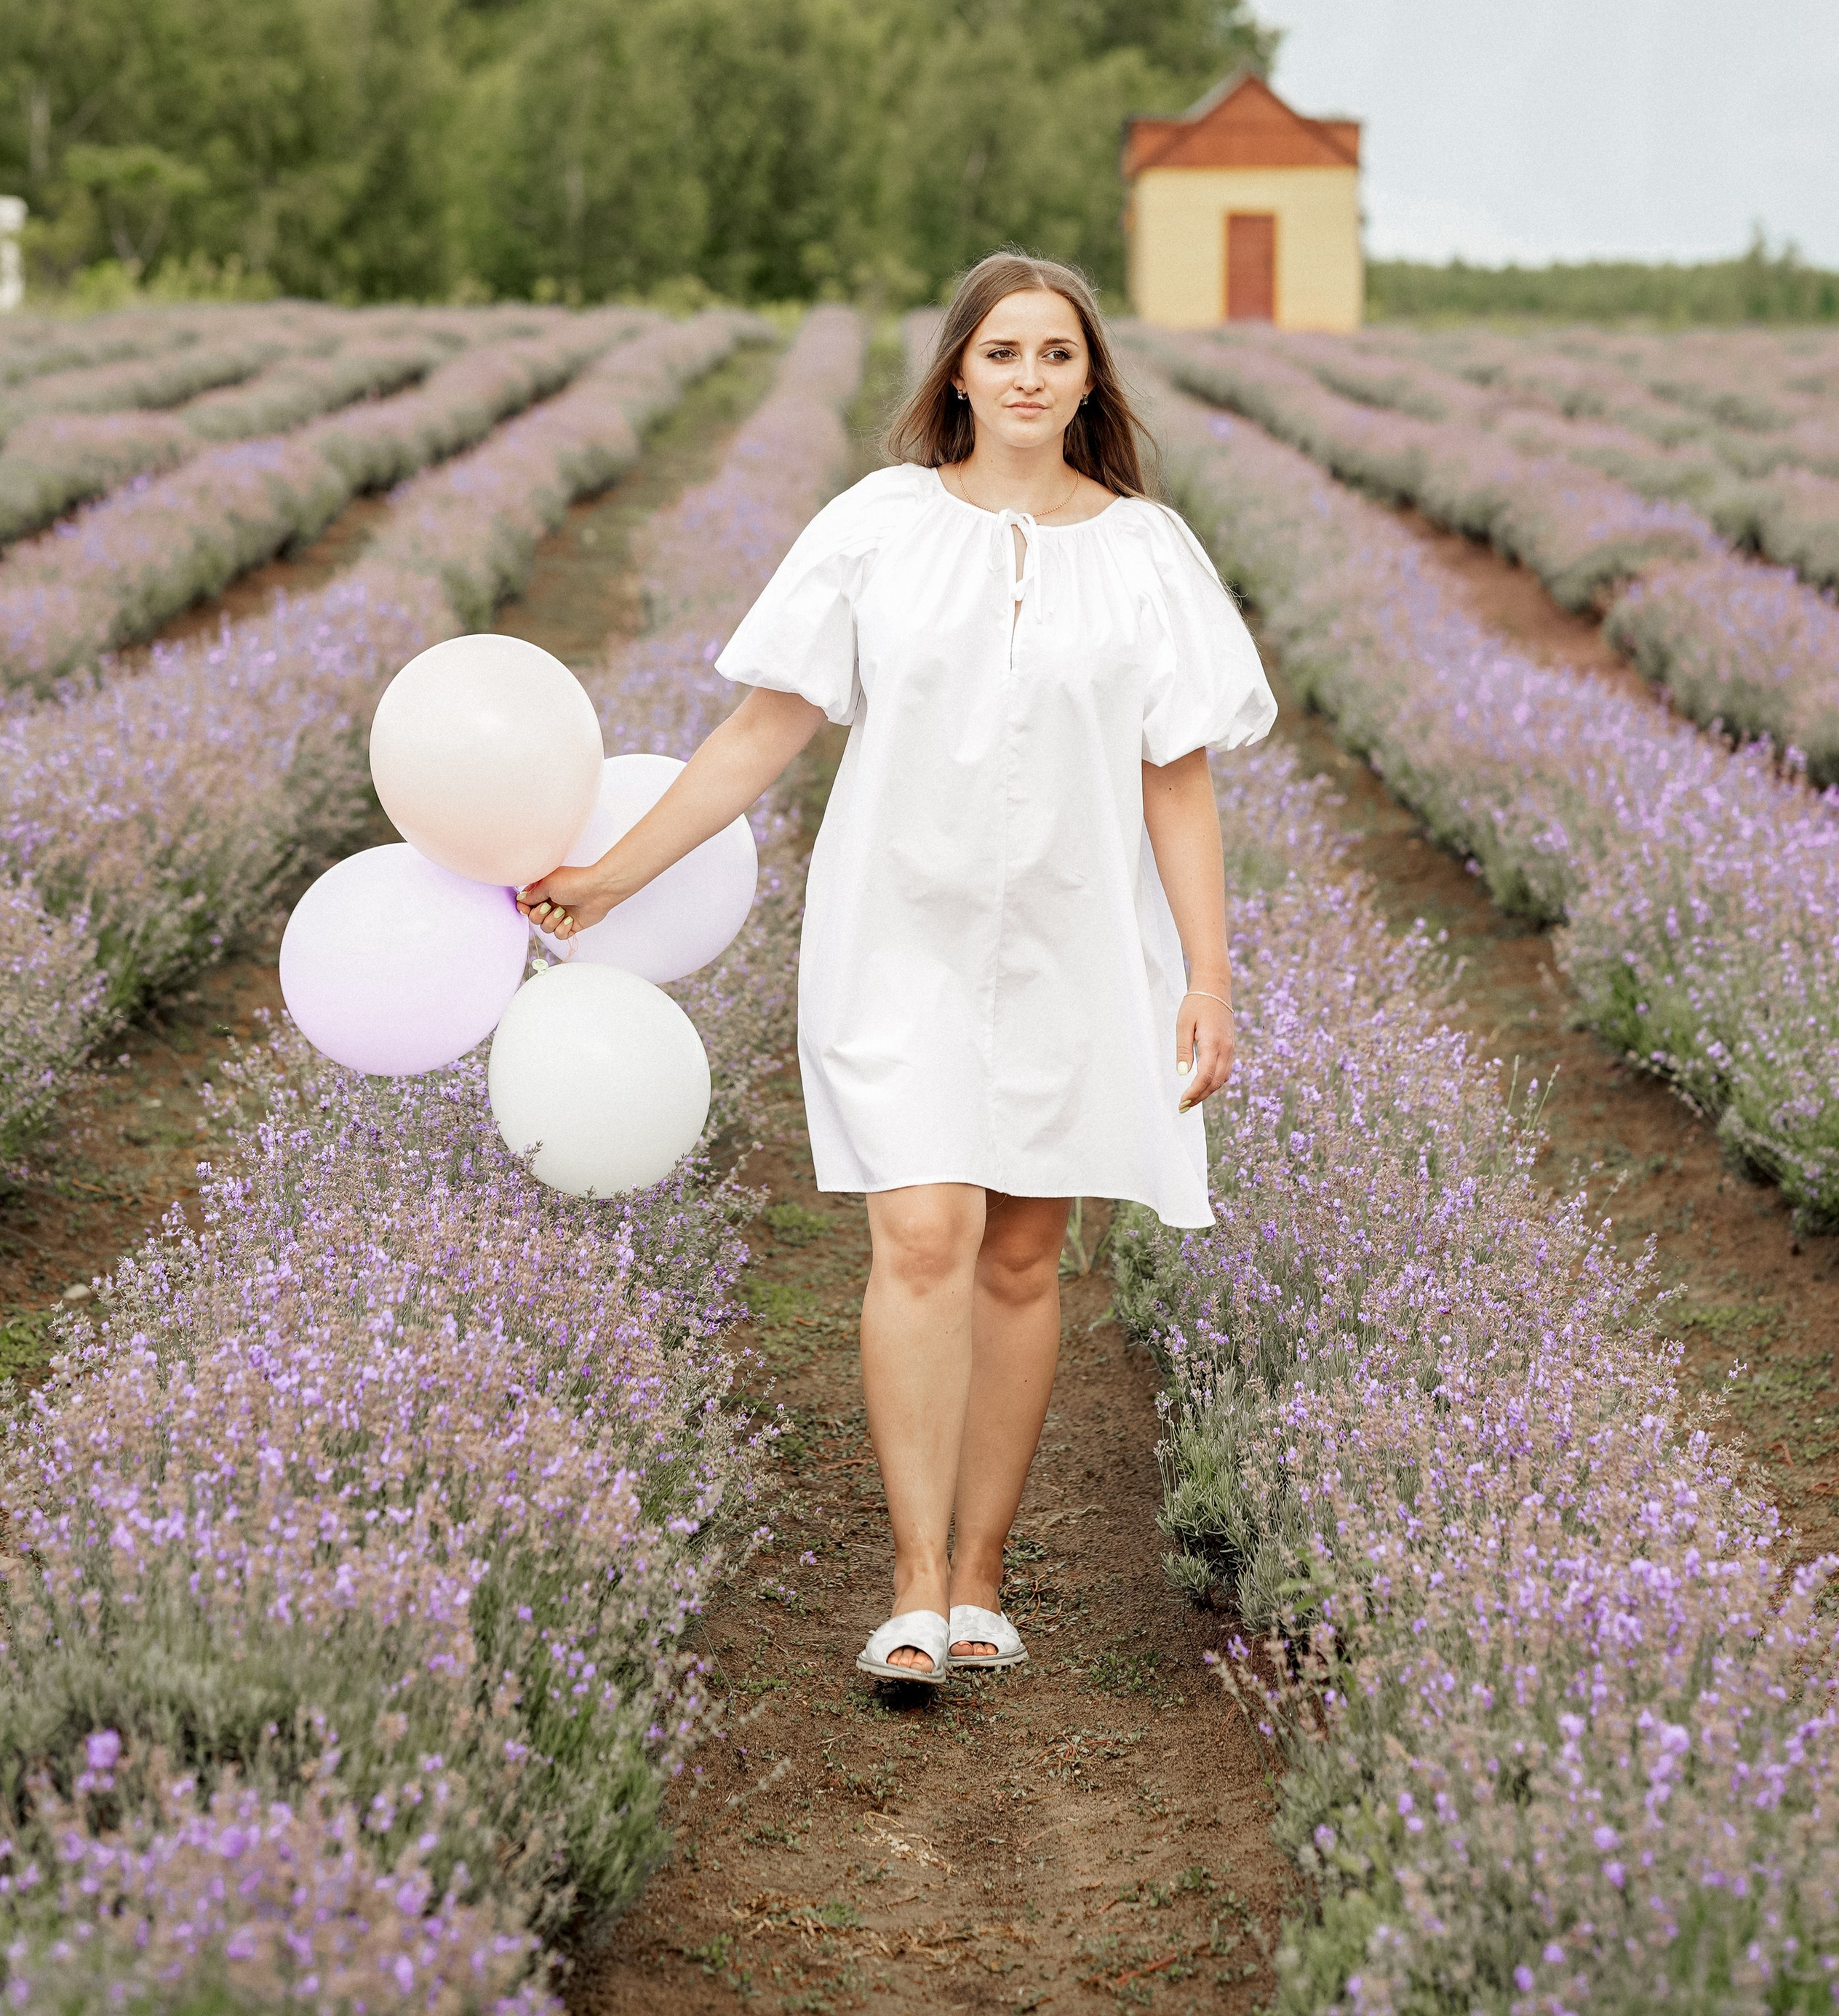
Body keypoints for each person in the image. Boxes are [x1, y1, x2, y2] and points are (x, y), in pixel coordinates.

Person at [518, 252, 1276, 1685]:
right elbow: (763, 727)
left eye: (1056, 354)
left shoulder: (1143, 552)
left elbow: (1174, 778)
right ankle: (913, 1584)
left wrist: (1206, 976)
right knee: (920, 1229)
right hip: (899, 932)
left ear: (1088, 380)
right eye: (1003, 353)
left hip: (1072, 941)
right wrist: (616, 872)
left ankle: (984, 1577)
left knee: (1022, 1247)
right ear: (956, 374)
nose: (1030, 377)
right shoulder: (878, 525)